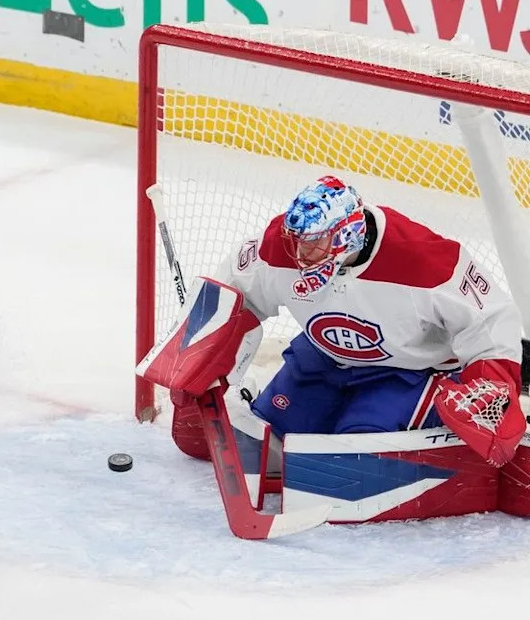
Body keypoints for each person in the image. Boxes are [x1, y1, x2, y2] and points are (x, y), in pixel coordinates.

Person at [170, 175, 526, 469]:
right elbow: (236, 291)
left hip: (407, 372)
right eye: (297, 242)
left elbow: (490, 318)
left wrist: (490, 391)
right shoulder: (280, 247)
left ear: (347, 235)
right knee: (272, 444)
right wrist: (199, 354)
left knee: (355, 451)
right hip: (324, 359)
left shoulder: (423, 259)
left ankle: (439, 416)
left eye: (313, 244)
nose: (299, 255)